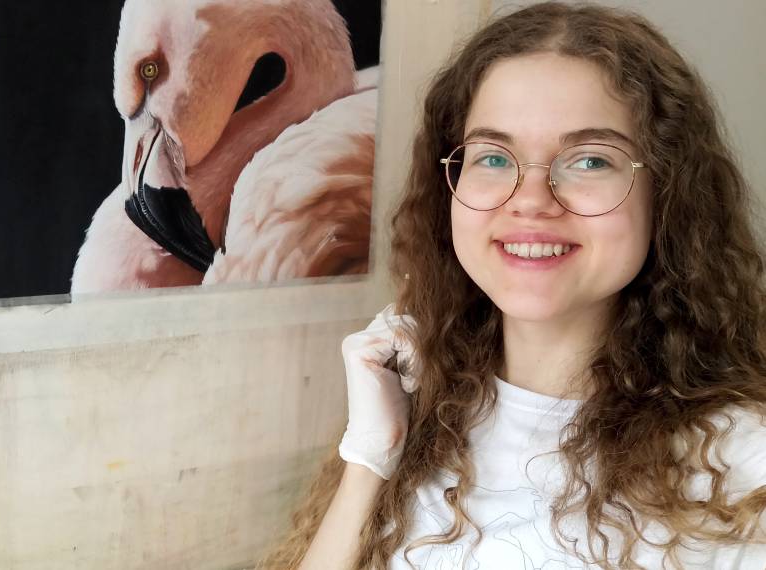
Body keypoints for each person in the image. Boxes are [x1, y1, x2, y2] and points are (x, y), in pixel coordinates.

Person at [256, 2, 766, 569]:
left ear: (666, 193)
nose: (530, 200)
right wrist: (369, 460)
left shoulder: (743, 472)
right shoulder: (423, 411)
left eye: (590, 160)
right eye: (494, 157)